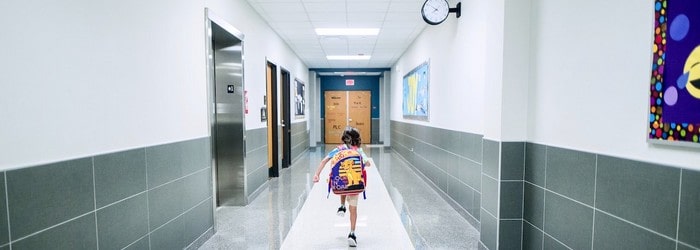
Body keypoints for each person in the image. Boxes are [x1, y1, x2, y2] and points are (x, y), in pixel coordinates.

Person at [313, 127, 371, 247]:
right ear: (357, 139)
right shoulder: (358, 150)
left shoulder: (338, 149)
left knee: (343, 182)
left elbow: (324, 161)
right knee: (353, 209)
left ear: (344, 139)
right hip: (355, 184)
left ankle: (342, 206)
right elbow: (368, 163)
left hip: (341, 184)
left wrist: (316, 175)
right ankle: (352, 233)